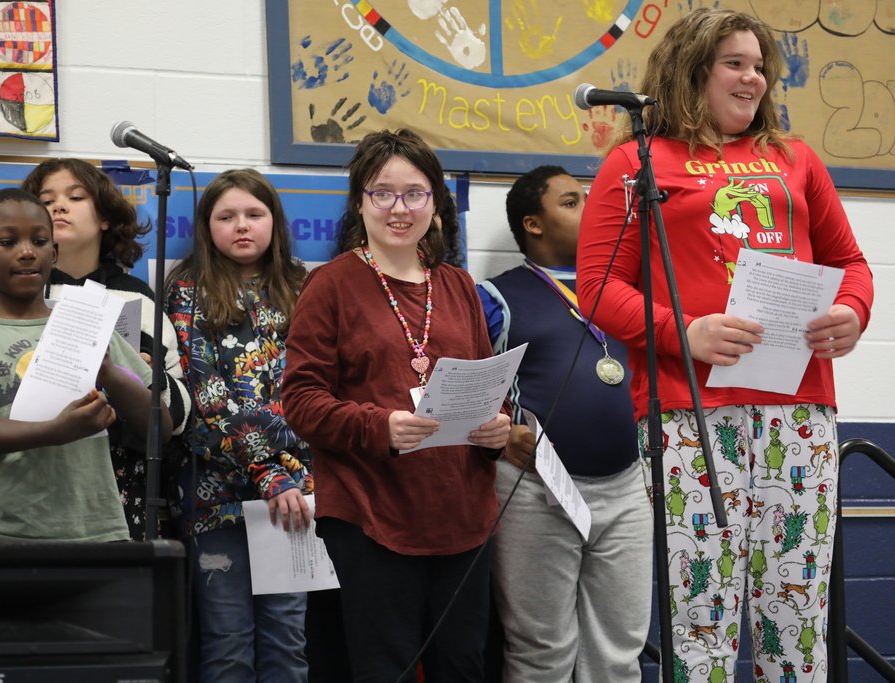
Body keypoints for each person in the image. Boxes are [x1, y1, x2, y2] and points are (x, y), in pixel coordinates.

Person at [576, 9, 873, 682]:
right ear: (691, 71)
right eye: (734, 63)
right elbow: (596, 286)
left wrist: (852, 311)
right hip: (688, 413)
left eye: (760, 66)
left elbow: (851, 263)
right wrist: (683, 333)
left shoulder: (796, 159)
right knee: (701, 618)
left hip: (799, 409)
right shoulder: (636, 161)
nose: (753, 78)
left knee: (796, 619)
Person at [281, 128, 511, 683]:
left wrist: (497, 430)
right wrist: (379, 426)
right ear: (360, 203)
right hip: (371, 514)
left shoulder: (458, 285)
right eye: (382, 193)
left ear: (435, 203)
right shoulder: (331, 284)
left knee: (463, 667)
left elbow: (489, 387)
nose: (399, 208)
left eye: (415, 194)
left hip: (461, 512)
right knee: (388, 668)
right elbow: (301, 400)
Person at [477, 165, 652, 683]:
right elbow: (461, 389)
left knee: (619, 652)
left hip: (628, 487)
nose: (592, 210)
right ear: (533, 224)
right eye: (572, 202)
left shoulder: (630, 291)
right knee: (542, 650)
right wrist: (501, 430)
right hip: (535, 488)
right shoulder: (494, 296)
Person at [0, 158, 191, 540]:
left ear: (105, 217)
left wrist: (134, 374)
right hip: (14, 490)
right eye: (46, 200)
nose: (59, 207)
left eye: (75, 197)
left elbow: (174, 414)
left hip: (112, 491)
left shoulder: (139, 299)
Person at [165, 168, 313, 683]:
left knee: (287, 641)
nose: (242, 225)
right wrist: (267, 471)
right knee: (228, 645)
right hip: (215, 495)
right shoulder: (187, 289)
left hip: (293, 494)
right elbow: (205, 401)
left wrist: (286, 474)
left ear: (275, 221)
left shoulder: (305, 286)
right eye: (226, 216)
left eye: (254, 214)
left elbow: (315, 392)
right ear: (207, 227)